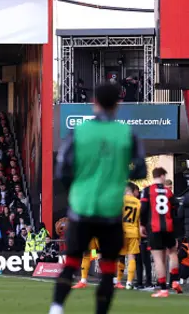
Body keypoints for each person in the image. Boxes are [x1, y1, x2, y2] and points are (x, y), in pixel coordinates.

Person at [50, 82, 147, 314]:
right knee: (107, 268)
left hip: (82, 206)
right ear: (118, 104)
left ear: (94, 102)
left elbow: (62, 169)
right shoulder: (127, 133)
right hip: (111, 210)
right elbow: (141, 171)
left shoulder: (79, 132)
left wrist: (78, 186)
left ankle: (56, 308)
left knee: (72, 262)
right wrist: (118, 173)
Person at [140, 167, 181, 298]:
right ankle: (174, 280)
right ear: (162, 176)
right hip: (168, 228)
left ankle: (163, 289)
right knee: (173, 252)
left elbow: (143, 209)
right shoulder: (169, 192)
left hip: (154, 228)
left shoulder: (147, 191)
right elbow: (176, 210)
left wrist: (142, 225)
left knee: (158, 259)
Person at [115, 182, 141, 290]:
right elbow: (139, 221)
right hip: (133, 232)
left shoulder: (120, 200)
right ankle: (129, 283)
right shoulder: (138, 202)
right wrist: (139, 236)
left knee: (120, 257)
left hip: (122, 231)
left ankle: (118, 281)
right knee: (131, 257)